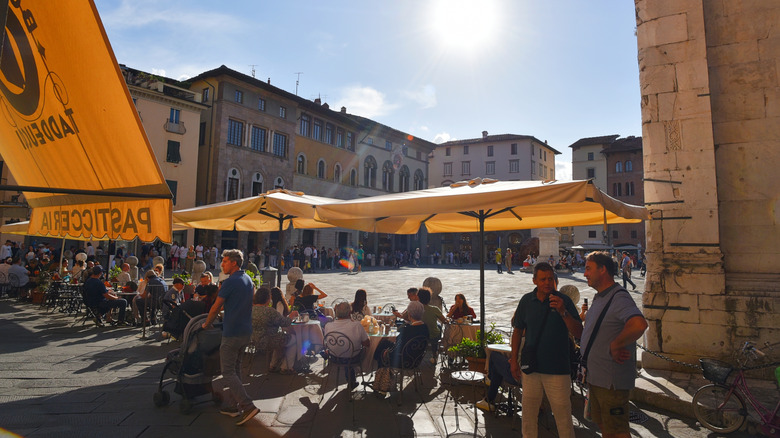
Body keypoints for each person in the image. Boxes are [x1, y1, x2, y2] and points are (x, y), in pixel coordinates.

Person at [478, 263, 582, 438]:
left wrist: (563, 311)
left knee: (563, 418)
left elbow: (578, 332)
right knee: (528, 416)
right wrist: (513, 360)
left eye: (550, 279)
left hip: (558, 369)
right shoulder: (526, 301)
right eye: (543, 279)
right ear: (534, 280)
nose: (547, 283)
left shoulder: (564, 301)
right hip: (531, 368)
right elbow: (518, 330)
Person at [581, 251, 648, 438]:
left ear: (602, 270)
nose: (585, 273)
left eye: (588, 269)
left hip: (611, 382)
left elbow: (639, 324)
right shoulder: (601, 296)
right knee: (605, 426)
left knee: (617, 431)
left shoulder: (619, 297)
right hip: (597, 378)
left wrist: (616, 344)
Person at [201, 249, 258, 426]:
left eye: (225, 261)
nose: (222, 264)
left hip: (232, 332)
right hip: (246, 331)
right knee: (236, 368)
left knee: (227, 371)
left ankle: (247, 406)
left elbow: (216, 306)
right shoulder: (248, 279)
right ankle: (235, 406)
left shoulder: (229, 282)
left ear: (233, 263)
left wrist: (206, 324)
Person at [251, 286, 298, 375]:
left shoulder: (251, 310)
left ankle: (273, 365)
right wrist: (291, 315)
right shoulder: (269, 311)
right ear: (267, 299)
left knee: (280, 338)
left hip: (254, 340)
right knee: (293, 338)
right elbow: (285, 323)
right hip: (269, 340)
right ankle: (286, 367)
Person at [324, 301, 370, 388]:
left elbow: (327, 342)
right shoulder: (356, 325)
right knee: (354, 350)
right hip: (352, 358)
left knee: (345, 349)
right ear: (349, 313)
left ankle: (351, 380)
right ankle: (364, 371)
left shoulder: (328, 325)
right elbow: (367, 343)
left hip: (334, 357)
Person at [374, 301, 428, 371]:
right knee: (384, 343)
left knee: (381, 351)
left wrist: (387, 352)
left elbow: (397, 348)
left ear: (409, 314)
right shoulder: (425, 327)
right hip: (417, 359)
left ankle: (382, 377)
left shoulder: (406, 330)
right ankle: (381, 373)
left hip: (403, 361)